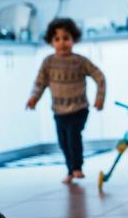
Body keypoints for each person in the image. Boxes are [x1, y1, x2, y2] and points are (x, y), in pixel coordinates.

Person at [27, 18, 106, 184]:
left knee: (73, 136)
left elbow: (99, 77)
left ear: (74, 39)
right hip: (59, 110)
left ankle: (77, 168)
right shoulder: (48, 62)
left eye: (66, 38)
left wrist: (100, 98)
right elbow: (40, 83)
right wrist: (34, 98)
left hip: (79, 109)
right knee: (63, 142)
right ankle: (70, 170)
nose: (62, 43)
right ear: (50, 42)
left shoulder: (80, 61)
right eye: (57, 39)